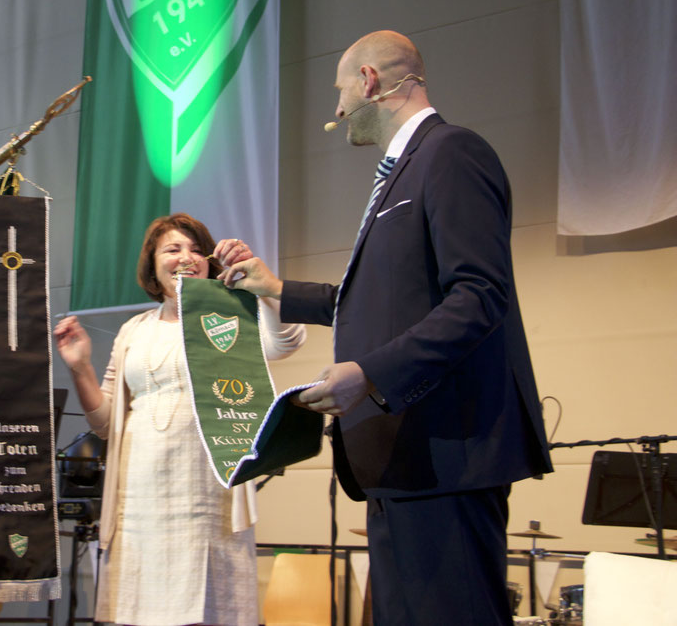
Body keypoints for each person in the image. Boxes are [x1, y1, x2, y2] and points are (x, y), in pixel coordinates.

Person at [222, 31, 553, 625]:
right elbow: (380, 304)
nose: (337, 108)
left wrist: (370, 373)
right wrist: (275, 289)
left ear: (369, 81)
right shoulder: (402, 171)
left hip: (444, 454)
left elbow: (479, 296)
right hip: (401, 462)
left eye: (340, 91)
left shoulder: (451, 152)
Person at [54, 213, 306, 626]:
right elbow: (105, 423)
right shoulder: (133, 330)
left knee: (206, 611)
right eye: (173, 249)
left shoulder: (231, 314)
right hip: (138, 500)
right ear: (153, 266)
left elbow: (288, 341)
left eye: (196, 249)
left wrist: (263, 285)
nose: (186, 257)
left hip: (206, 497)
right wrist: (80, 367)